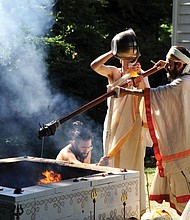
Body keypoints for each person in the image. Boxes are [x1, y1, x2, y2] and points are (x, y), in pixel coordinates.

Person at [90, 29, 152, 214]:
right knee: (112, 164)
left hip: (132, 129)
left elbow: (144, 96)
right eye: (124, 58)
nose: (126, 62)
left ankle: (133, 209)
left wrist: (137, 77)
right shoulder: (114, 73)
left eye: (130, 59)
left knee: (132, 166)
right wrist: (113, 50)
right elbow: (94, 66)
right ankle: (112, 207)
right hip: (113, 126)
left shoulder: (141, 74)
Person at [131, 46, 190, 216]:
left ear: (181, 65)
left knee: (184, 197)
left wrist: (125, 91)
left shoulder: (182, 83)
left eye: (171, 64)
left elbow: (155, 94)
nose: (168, 68)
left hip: (183, 148)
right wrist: (158, 68)